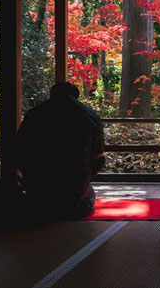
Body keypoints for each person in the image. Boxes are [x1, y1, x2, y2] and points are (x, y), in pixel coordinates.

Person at [15, 82, 105, 219]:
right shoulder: (91, 117)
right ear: (76, 96)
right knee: (88, 192)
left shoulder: (34, 114)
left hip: (38, 184)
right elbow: (98, 157)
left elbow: (19, 150)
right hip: (76, 184)